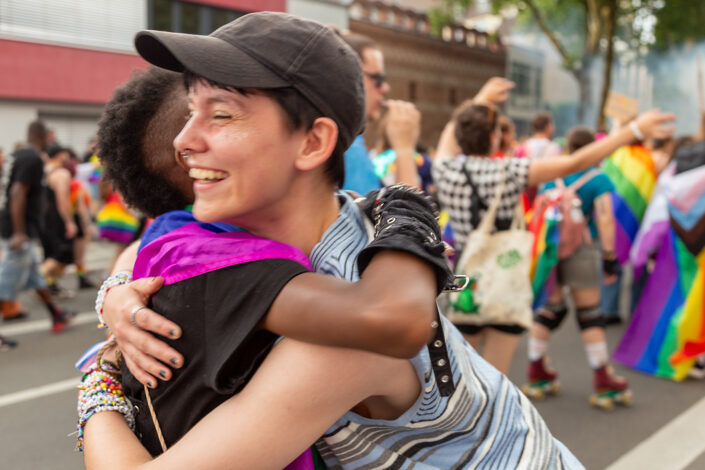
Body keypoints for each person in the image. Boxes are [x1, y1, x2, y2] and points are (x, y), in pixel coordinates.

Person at [84, 13, 585, 469]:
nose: (182, 140)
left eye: (221, 114)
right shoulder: (335, 220)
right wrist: (119, 294)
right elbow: (161, 239)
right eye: (191, 111)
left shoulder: (346, 321)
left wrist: (97, 384)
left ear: (312, 143)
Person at [432, 78, 675, 375]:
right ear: (495, 138)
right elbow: (575, 162)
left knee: (461, 371)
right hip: (506, 278)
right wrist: (632, 131)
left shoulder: (445, 169)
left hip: (465, 276)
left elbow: (449, 133)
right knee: (494, 378)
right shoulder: (510, 170)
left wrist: (482, 98)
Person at [523, 127, 631, 410]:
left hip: (550, 252)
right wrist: (609, 255)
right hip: (582, 251)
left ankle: (536, 369)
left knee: (550, 309)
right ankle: (602, 377)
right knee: (590, 314)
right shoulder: (598, 178)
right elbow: (605, 219)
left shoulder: (552, 176)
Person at [0, 121, 75, 333]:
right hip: (18, 230)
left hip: (19, 227)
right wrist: (19, 232)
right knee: (5, 283)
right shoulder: (31, 157)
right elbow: (17, 192)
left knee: (35, 275)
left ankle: (55, 313)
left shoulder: (17, 155)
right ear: (42, 137)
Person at [338, 31, 422, 192]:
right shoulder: (348, 148)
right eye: (377, 79)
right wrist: (404, 149)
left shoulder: (350, 140)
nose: (385, 88)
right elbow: (401, 216)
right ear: (348, 76)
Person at [40, 144, 78, 298]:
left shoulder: (43, 171)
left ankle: (51, 287)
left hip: (42, 218)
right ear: (60, 155)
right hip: (56, 219)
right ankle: (38, 280)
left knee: (50, 253)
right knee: (60, 254)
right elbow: (63, 199)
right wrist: (69, 222)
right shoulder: (61, 173)